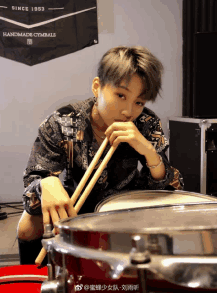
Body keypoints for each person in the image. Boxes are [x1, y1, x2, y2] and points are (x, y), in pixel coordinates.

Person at [17, 46, 184, 265]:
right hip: (76, 204)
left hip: (126, 204)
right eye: (121, 95)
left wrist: (149, 152)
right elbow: (32, 180)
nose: (128, 110)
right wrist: (46, 183)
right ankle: (35, 279)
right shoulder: (62, 121)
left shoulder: (146, 123)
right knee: (28, 224)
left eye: (139, 102)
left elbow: (173, 185)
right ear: (97, 87)